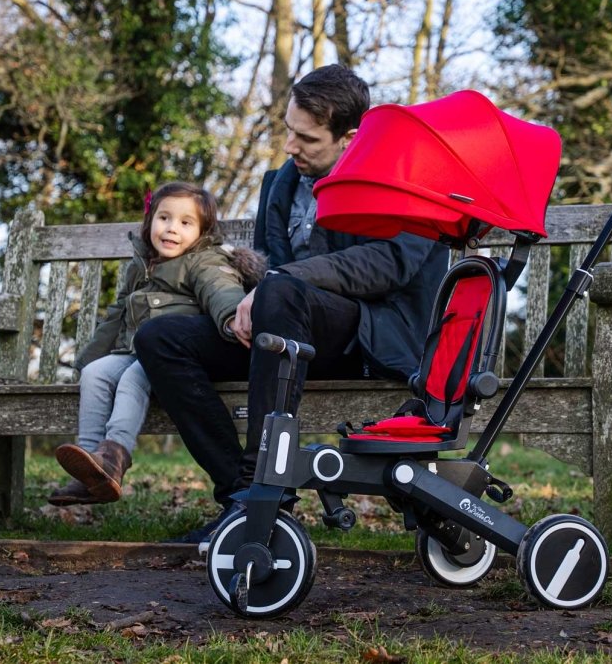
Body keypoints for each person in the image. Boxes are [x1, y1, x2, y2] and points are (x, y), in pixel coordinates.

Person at [134, 65, 447, 544]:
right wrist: (248, 298)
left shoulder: (401, 179)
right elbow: (265, 266)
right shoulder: (280, 183)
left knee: (281, 290)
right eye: (287, 131)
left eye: (306, 138)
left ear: (349, 137)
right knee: (161, 338)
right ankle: (241, 498)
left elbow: (391, 264)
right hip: (285, 337)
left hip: (366, 340)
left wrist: (279, 281)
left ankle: (267, 491)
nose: (290, 147)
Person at [47, 182, 265, 506]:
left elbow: (221, 290)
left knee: (134, 376)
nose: (171, 229)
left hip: (175, 359)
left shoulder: (203, 261)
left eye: (185, 222)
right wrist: (86, 362)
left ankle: (115, 456)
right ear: (150, 222)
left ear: (202, 231)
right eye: (164, 218)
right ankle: (90, 466)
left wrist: (233, 317)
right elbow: (115, 316)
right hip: (133, 351)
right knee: (96, 373)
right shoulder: (140, 266)